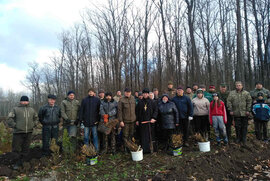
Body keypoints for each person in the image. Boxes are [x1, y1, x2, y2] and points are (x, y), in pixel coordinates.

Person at [7, 96, 38, 160]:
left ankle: (23, 162)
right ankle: (15, 162)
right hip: (18, 133)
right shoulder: (15, 109)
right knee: (16, 149)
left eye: (26, 101)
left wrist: (33, 124)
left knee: (26, 149)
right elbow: (9, 118)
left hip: (29, 132)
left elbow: (36, 118)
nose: (24, 102)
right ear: (20, 102)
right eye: (23, 101)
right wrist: (15, 125)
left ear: (28, 102)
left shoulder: (32, 110)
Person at [227, 81, 252, 145]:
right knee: (237, 127)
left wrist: (248, 110)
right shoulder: (232, 93)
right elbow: (229, 101)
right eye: (237, 85)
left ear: (242, 86)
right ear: (235, 86)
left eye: (239, 85)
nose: (238, 86)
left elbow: (249, 102)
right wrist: (231, 110)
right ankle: (238, 138)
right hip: (236, 113)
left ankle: (244, 139)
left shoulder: (246, 93)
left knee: (244, 127)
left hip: (244, 113)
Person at [136, 88, 158, 153]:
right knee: (143, 136)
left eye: (146, 93)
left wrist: (154, 118)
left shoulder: (152, 102)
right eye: (144, 93)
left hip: (150, 122)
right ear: (142, 94)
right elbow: (137, 112)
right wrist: (137, 120)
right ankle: (144, 149)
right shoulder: (140, 102)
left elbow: (156, 110)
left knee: (151, 136)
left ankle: (151, 149)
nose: (145, 95)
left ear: (148, 94)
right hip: (142, 122)